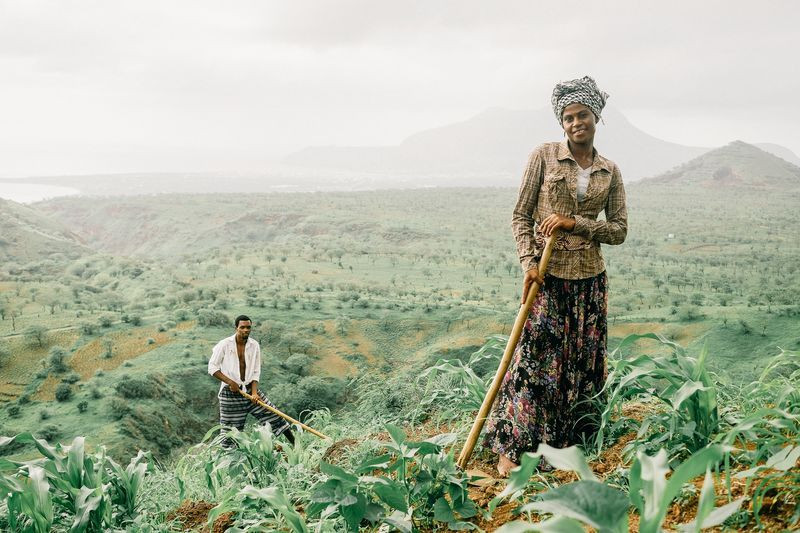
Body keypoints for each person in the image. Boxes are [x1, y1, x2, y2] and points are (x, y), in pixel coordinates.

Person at [484, 76, 627, 476]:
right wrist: (528, 264)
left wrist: (574, 223)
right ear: (561, 123)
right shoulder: (544, 156)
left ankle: (565, 448)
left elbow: (618, 230)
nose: (576, 122)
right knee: (534, 361)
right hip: (547, 277)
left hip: (590, 279)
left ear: (596, 116)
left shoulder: (610, 171)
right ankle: (513, 450)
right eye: (568, 117)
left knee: (580, 363)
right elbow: (521, 215)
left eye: (582, 115)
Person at [208, 315, 295, 445]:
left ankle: (296, 446)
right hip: (230, 394)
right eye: (242, 327)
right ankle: (229, 457)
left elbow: (256, 371)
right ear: (236, 328)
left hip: (250, 390)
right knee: (229, 433)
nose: (246, 330)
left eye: (248, 327)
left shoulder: (254, 345)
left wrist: (254, 393)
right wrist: (230, 382)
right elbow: (212, 367)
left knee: (275, 416)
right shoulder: (224, 344)